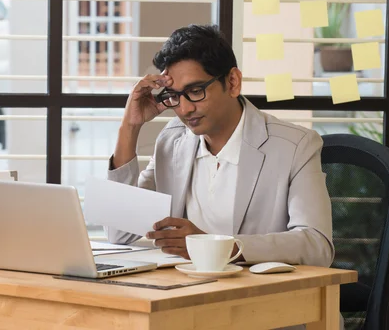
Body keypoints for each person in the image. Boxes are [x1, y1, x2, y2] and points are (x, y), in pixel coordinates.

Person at [106, 24, 334, 268]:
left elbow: (316, 245)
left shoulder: (296, 146)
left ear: (233, 82)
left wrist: (214, 245)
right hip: (185, 291)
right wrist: (130, 127)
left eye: (195, 91)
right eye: (173, 96)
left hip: (258, 296)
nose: (184, 109)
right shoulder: (172, 140)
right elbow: (120, 233)